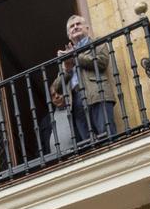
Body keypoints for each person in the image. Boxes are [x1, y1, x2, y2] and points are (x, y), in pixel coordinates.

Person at [50, 12, 116, 145]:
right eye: (72, 27)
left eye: (78, 24)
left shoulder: (97, 42)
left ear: (87, 28)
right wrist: (67, 69)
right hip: (76, 101)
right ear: (69, 35)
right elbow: (57, 87)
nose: (75, 27)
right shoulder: (66, 55)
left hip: (97, 94)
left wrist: (75, 57)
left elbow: (102, 62)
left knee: (107, 136)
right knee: (87, 143)